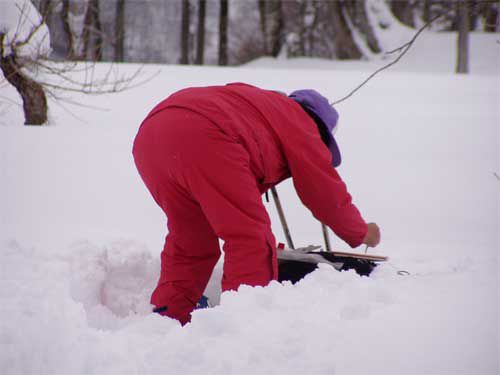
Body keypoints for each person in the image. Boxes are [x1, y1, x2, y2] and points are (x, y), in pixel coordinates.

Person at [132, 83, 380, 325]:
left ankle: (167, 318)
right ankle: (242, 326)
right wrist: (361, 232)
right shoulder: (301, 122)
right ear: (322, 129)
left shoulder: (262, 107)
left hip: (152, 137)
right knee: (249, 238)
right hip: (205, 135)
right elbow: (324, 192)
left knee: (191, 241)